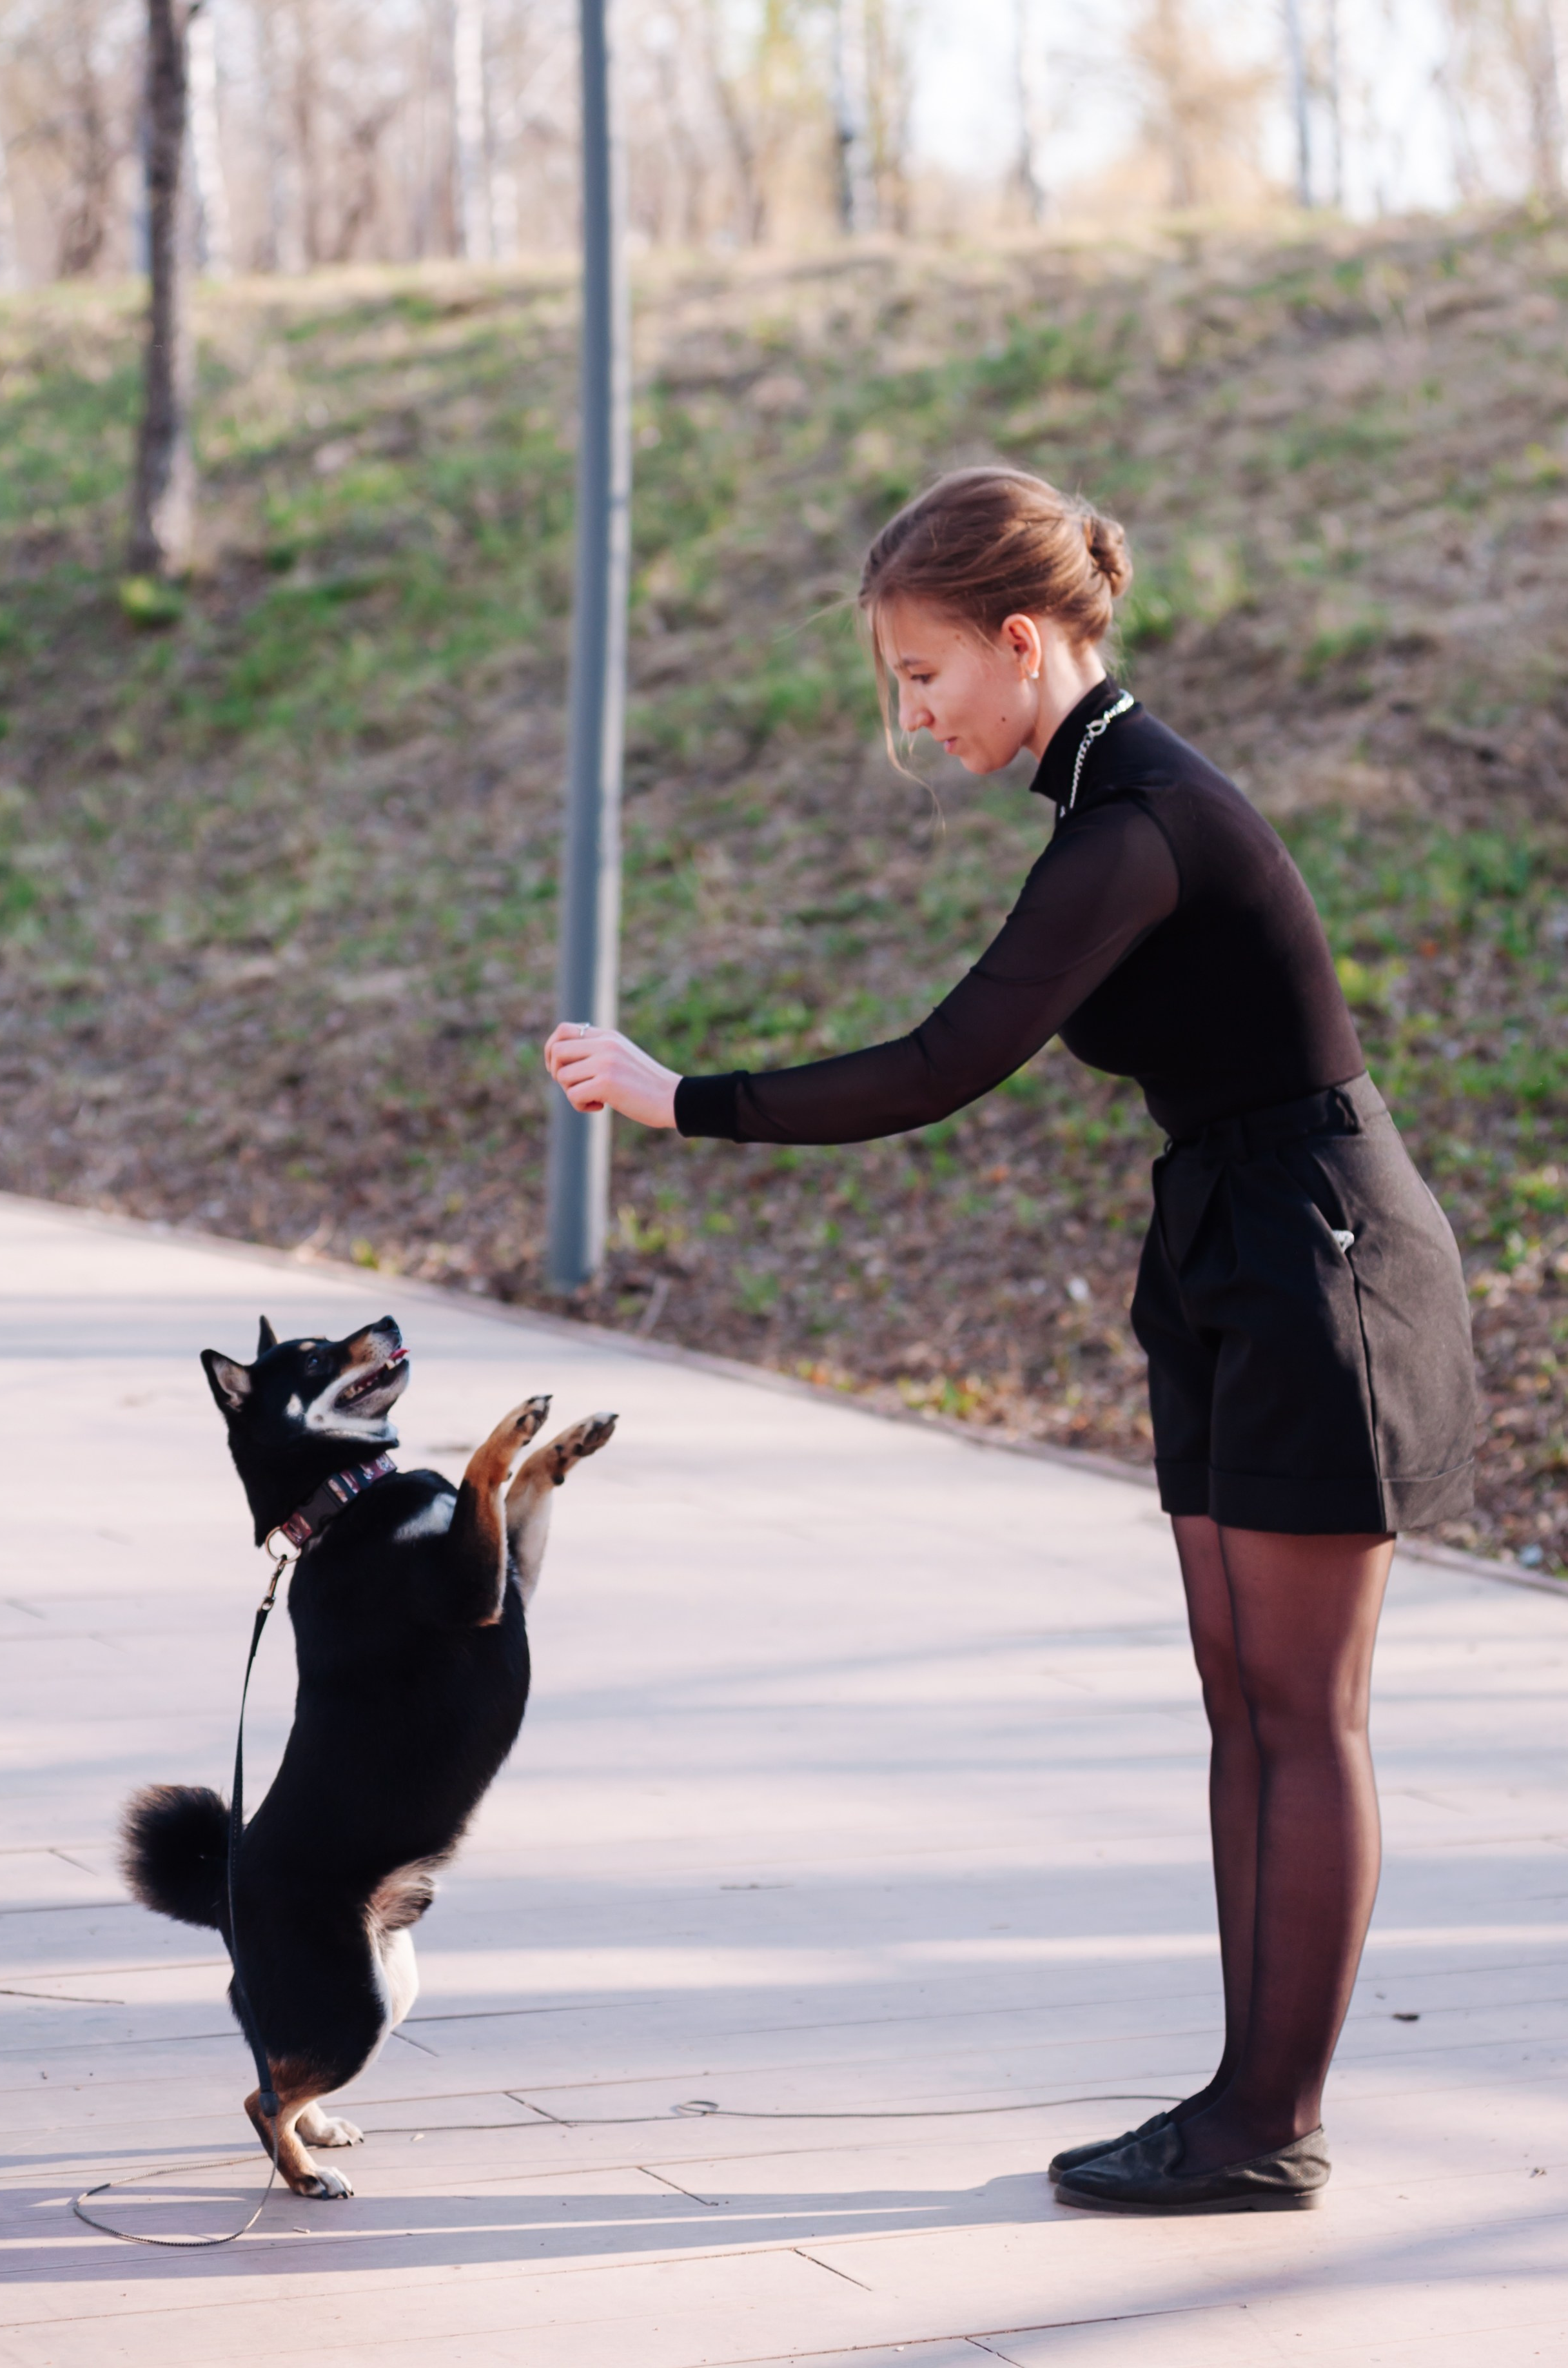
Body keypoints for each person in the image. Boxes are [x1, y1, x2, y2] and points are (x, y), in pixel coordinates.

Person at [544, 466, 1476, 2215]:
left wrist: (682, 1102)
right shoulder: (1106, 809)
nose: (910, 716)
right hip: (1228, 1239)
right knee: (1240, 1705)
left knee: (1298, 1711)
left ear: (1022, 641)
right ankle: (1238, 2100)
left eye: (921, 676)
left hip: (1319, 1259)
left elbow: (939, 1061)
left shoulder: (1141, 822)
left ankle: (1267, 2124)